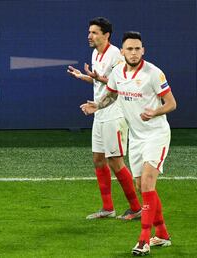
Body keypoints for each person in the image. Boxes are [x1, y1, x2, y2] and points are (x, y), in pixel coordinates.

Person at [80, 31, 176, 256]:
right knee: (143, 184)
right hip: (136, 138)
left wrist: (156, 111)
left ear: (143, 50)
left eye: (137, 48)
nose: (134, 52)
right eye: (129, 49)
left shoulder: (154, 73)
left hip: (156, 134)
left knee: (147, 184)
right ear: (122, 52)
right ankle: (162, 234)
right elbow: (112, 95)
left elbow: (171, 103)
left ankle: (143, 240)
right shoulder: (117, 73)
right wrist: (97, 105)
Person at [67, 17, 141, 220]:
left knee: (115, 161)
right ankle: (108, 208)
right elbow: (99, 78)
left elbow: (121, 82)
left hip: (115, 114)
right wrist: (84, 77)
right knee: (98, 159)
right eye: (89, 32)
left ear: (106, 35)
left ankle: (136, 208)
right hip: (99, 112)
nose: (89, 36)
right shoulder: (95, 53)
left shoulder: (116, 54)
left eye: (94, 32)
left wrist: (98, 78)